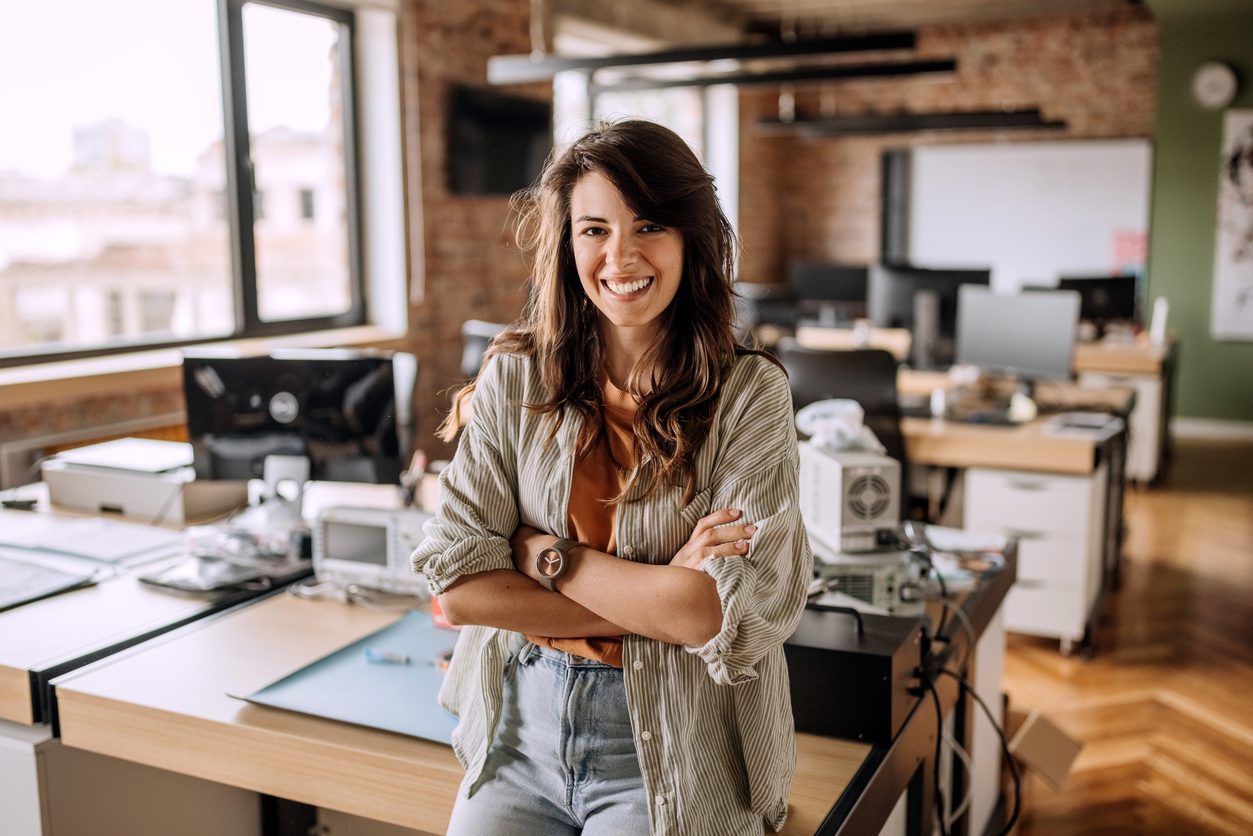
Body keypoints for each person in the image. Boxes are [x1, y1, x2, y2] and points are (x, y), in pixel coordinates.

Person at [411, 119, 811, 836]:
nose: (619, 255)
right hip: (518, 734)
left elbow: (718, 615)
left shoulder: (750, 395)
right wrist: (654, 599)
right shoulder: (513, 377)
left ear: (691, 237)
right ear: (566, 245)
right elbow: (462, 591)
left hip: (676, 739)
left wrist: (542, 557)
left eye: (648, 224)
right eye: (593, 229)